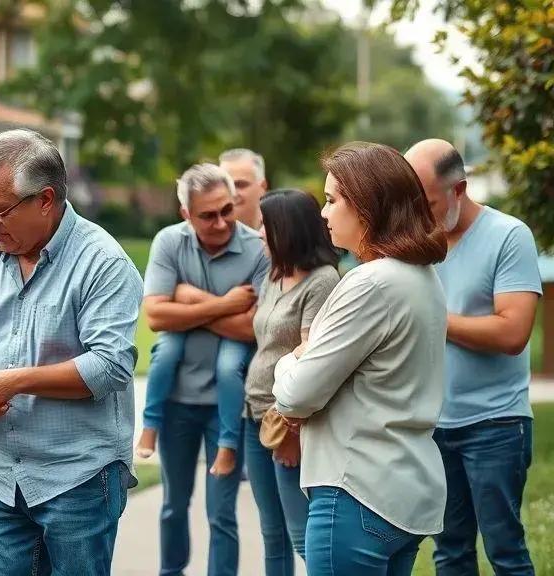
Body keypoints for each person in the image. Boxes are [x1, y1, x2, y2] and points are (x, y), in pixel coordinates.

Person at [0, 129, 142, 576]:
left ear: (45, 200)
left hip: (79, 478)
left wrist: (11, 381)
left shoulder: (102, 262)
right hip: (1, 476)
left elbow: (109, 367)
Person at [272, 141, 448, 575]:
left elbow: (296, 396)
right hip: (403, 488)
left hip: (357, 490)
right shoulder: (423, 277)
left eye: (333, 201)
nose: (323, 213)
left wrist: (289, 360)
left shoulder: (371, 283)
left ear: (368, 207)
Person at [406, 139, 540, 576]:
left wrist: (434, 319)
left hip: (495, 425)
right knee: (450, 554)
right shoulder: (417, 243)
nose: (417, 215)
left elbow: (513, 332)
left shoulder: (508, 235)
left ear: (458, 189)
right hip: (432, 425)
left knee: (505, 551)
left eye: (425, 202)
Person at [142, 163, 269, 576]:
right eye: (207, 215)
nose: (221, 222)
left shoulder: (257, 250)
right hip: (177, 402)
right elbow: (157, 317)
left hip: (227, 407)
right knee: (173, 506)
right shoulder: (168, 243)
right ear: (185, 214)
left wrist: (191, 302)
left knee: (222, 514)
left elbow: (253, 327)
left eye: (227, 210)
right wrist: (224, 304)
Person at [243, 189, 339, 574]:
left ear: (287, 229)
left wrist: (293, 431)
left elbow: (311, 358)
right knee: (273, 534)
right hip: (254, 415)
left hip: (286, 421)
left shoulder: (322, 282)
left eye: (265, 225)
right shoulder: (275, 273)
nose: (259, 233)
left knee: (301, 535)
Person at [219, 148, 269, 230]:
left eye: (240, 185)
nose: (232, 193)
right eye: (226, 185)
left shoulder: (279, 235)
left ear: (262, 187)